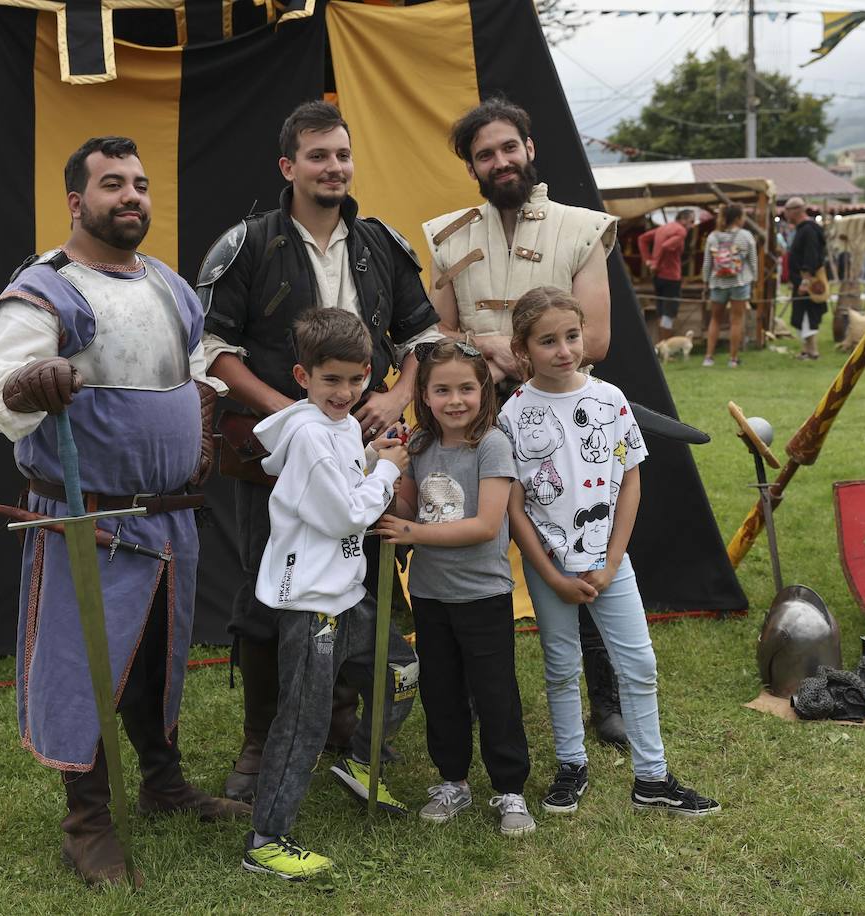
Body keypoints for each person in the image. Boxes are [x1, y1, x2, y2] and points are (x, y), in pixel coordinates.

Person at [0, 136, 248, 887]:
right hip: (89, 520)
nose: (131, 197)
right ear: (76, 202)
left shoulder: (167, 284)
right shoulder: (47, 289)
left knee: (160, 657)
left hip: (171, 517)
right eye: (112, 185)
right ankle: (86, 822)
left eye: (140, 185)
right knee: (83, 666)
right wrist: (34, 379)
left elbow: (192, 371)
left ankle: (162, 784)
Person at [201, 100, 438, 805]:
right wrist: (292, 415)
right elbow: (212, 350)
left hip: (365, 450)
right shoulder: (245, 245)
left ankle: (346, 725)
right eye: (317, 156)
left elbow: (423, 337)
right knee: (266, 589)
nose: (333, 167)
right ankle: (262, 737)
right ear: (288, 165)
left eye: (342, 155)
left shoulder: (382, 245)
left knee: (362, 584)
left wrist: (397, 398)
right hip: (274, 456)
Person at [422, 97, 628, 749]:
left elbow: (592, 340)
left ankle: (608, 700)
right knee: (474, 551)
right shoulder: (448, 235)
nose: (500, 161)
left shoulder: (583, 228)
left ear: (530, 149)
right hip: (473, 421)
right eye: (485, 154)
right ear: (472, 166)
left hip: (559, 416)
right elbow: (437, 331)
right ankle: (479, 695)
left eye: (509, 147)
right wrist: (490, 350)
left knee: (578, 543)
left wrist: (524, 356)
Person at [499, 285, 720, 819]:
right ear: (523, 348)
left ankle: (653, 777)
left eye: (571, 336)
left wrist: (613, 560)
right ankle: (571, 765)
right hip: (550, 566)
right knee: (559, 666)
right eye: (548, 340)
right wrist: (549, 577)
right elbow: (513, 506)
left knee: (639, 663)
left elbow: (629, 484)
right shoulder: (512, 414)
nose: (564, 350)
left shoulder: (610, 399)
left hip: (610, 562)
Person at [242, 308, 411, 880]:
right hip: (313, 603)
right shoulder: (310, 434)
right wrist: (387, 472)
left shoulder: (336, 427)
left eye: (356, 378)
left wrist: (372, 455)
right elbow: (344, 516)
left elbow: (342, 482)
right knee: (303, 720)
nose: (345, 391)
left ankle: (362, 763)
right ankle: (267, 839)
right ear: (302, 375)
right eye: (331, 379)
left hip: (348, 593)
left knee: (400, 671)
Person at [372, 339, 533, 837]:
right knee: (441, 691)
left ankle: (510, 789)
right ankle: (453, 782)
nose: (456, 400)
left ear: (485, 391)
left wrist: (411, 533)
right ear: (424, 393)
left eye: (467, 388)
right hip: (430, 594)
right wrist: (386, 472)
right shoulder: (419, 446)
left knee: (494, 692)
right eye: (443, 390)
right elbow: (410, 510)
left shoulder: (492, 445)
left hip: (483, 594)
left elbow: (486, 524)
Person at [700, 203, 757, 369]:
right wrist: (753, 279)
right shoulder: (746, 236)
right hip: (739, 282)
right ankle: (733, 359)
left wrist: (706, 281)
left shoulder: (713, 237)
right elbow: (753, 261)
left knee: (715, 319)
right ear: (738, 218)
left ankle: (709, 357)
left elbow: (707, 263)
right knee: (736, 321)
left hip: (717, 283)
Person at [638, 209, 695, 342]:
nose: (692, 225)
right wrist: (656, 263)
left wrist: (648, 260)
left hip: (658, 277)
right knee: (669, 313)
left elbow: (642, 239)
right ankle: (667, 347)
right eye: (691, 221)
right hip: (671, 277)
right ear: (684, 219)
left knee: (661, 311)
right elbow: (665, 246)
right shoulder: (681, 230)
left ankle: (661, 345)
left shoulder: (663, 228)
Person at [783, 197, 826, 361]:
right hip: (800, 280)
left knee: (808, 314)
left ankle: (813, 351)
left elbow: (811, 257)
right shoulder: (802, 229)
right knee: (802, 314)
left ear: (795, 211)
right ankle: (806, 349)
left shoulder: (809, 230)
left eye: (787, 210)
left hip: (808, 281)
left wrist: (805, 281)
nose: (786, 214)